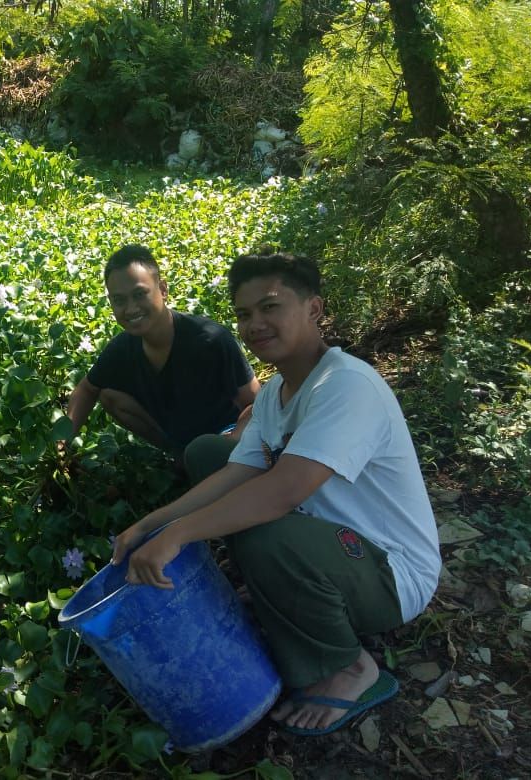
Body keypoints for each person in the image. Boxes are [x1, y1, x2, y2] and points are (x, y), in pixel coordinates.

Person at [111, 250, 441, 736]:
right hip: (328, 541)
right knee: (209, 455)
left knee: (268, 533)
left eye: (270, 307)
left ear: (314, 308)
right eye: (244, 314)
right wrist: (152, 524)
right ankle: (288, 596)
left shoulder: (345, 385)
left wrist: (177, 536)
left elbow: (282, 492)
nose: (255, 324)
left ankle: (351, 668)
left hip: (391, 573)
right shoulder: (276, 394)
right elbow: (237, 473)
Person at [66, 244, 260, 470]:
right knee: (109, 395)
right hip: (180, 437)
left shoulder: (210, 339)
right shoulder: (122, 348)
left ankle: (198, 462)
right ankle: (176, 454)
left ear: (163, 290)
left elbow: (255, 403)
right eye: (119, 300)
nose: (130, 309)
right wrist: (61, 442)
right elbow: (86, 389)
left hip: (226, 435)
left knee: (205, 456)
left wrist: (232, 441)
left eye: (139, 294)